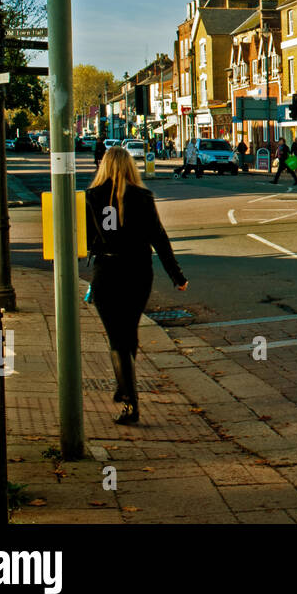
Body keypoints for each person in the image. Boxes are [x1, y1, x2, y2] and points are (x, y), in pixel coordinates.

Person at [85, 146, 188, 425]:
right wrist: (176, 276)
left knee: (117, 337)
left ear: (104, 167)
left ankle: (129, 397)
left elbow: (88, 239)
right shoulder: (143, 197)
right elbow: (159, 238)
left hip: (107, 272)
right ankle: (126, 389)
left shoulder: (94, 197)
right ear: (131, 167)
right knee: (128, 334)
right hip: (138, 273)